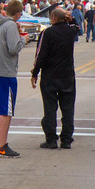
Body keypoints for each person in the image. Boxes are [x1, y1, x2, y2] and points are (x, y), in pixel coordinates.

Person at [31, 8, 80, 149]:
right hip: (67, 76)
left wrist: (35, 73)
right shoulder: (70, 32)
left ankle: (51, 139)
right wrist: (71, 19)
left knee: (50, 109)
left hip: (50, 77)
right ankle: (66, 139)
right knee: (68, 109)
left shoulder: (47, 33)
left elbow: (40, 55)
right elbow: (78, 27)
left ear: (53, 17)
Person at [0, 0, 26, 158]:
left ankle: (0, 143)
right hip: (6, 71)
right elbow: (14, 48)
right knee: (6, 110)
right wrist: (24, 39)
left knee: (2, 110)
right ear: (17, 13)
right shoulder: (10, 25)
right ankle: (0, 145)